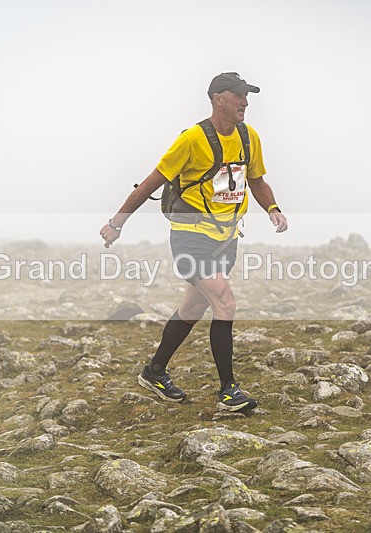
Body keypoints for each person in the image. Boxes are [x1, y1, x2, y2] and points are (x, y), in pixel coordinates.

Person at [99, 72, 288, 412]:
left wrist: (273, 208)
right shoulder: (192, 139)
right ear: (218, 98)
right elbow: (150, 182)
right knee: (225, 304)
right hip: (190, 236)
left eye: (247, 97)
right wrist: (117, 222)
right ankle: (229, 391)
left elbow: (257, 180)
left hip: (226, 238)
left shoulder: (249, 137)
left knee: (193, 308)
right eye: (239, 96)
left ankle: (154, 371)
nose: (245, 102)